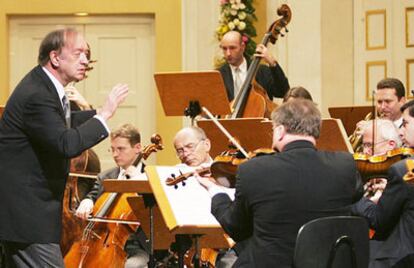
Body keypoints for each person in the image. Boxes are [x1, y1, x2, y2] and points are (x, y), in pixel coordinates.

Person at [0, 28, 128, 267]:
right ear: (55, 58)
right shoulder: (38, 94)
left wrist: (99, 114)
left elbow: (60, 124)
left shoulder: (45, 87)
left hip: (28, 215)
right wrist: (105, 114)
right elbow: (65, 143)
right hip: (27, 217)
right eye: (78, 52)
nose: (85, 60)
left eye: (87, 54)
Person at [196, 99, 362, 267]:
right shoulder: (344, 165)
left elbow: (236, 229)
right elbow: (356, 194)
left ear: (281, 131)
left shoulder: (253, 169)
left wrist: (215, 191)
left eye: (273, 129)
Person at [75, 123, 149, 268]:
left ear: (138, 148)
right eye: (113, 149)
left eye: (121, 149)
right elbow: (93, 195)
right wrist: (87, 201)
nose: (115, 154)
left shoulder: (150, 177)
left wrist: (139, 180)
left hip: (138, 246)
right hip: (102, 241)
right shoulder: (106, 176)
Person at [352, 100, 414, 268]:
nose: (400, 131)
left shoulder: (405, 169)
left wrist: (355, 194)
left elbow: (378, 220)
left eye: (405, 124)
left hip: (403, 258)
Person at [218, 31, 289, 102]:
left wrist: (272, 63)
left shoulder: (262, 71)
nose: (228, 53)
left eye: (232, 48)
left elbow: (283, 92)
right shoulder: (219, 74)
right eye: (224, 49)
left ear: (242, 47)